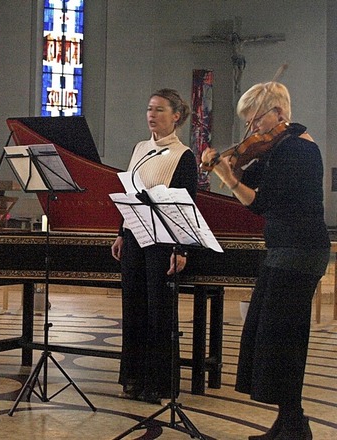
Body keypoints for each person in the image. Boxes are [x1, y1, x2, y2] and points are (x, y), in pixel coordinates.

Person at [202, 82, 328, 440]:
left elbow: (259, 203)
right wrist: (224, 164)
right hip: (284, 251)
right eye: (249, 122)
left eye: (256, 120)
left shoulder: (298, 151)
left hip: (300, 252)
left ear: (280, 114)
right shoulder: (277, 149)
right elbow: (250, 178)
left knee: (282, 339)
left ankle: (295, 426)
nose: (253, 129)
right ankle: (289, 423)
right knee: (268, 337)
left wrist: (226, 176)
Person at [111, 89, 197, 404]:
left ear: (176, 116)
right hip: (134, 236)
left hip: (163, 243)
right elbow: (131, 192)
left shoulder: (183, 155)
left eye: (159, 110)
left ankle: (160, 384)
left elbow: (187, 205)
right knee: (132, 308)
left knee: (158, 311)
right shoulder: (139, 149)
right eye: (149, 108)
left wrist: (181, 249)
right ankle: (133, 378)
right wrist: (121, 231)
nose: (152, 114)